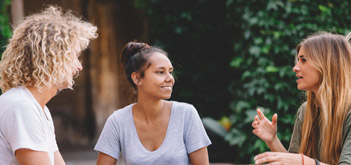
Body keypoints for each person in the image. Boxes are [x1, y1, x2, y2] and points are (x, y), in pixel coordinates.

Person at [0, 6, 97, 164]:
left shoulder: (38, 108)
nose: (79, 66)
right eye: (75, 56)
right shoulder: (22, 107)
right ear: (52, 58)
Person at [94, 41, 211, 165]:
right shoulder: (118, 121)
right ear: (137, 78)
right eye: (160, 72)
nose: (170, 79)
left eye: (170, 72)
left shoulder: (186, 114)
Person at [252, 32, 351, 165]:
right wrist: (272, 140)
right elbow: (294, 162)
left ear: (326, 64)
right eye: (298, 60)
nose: (295, 68)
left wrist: (306, 162)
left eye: (303, 60)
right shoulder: (306, 111)